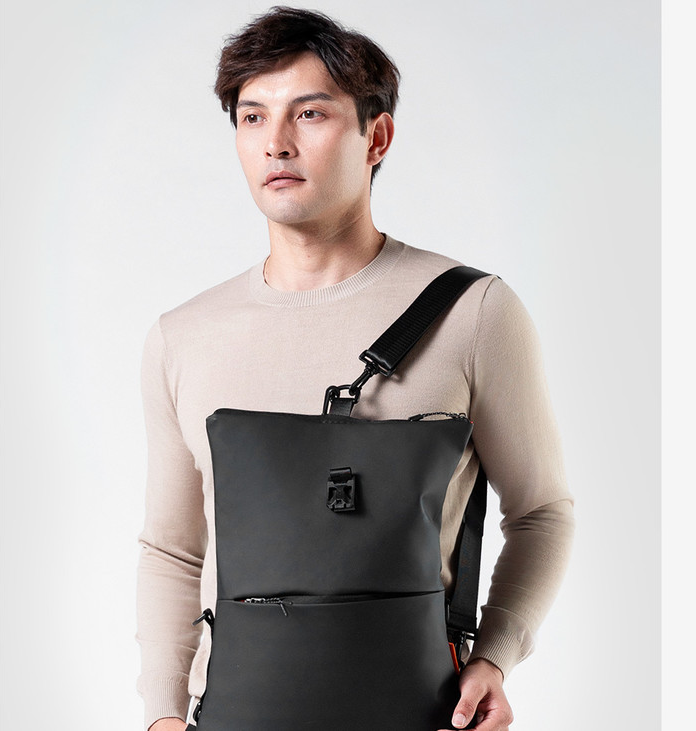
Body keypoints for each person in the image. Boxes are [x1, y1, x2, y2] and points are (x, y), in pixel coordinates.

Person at [136, 7, 574, 731]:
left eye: (309, 113)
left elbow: (542, 511)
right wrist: (161, 712)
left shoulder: (474, 312)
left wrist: (495, 655)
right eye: (252, 117)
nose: (276, 142)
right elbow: (172, 549)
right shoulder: (182, 337)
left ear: (377, 137)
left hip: (421, 712)